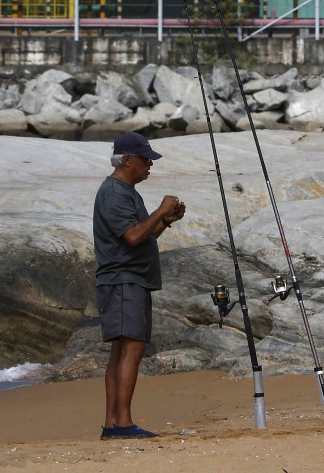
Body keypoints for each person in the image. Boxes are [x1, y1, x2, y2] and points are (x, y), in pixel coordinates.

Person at [93, 131, 186, 439]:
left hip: (130, 280)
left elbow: (143, 235)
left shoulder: (126, 192)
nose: (150, 166)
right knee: (131, 348)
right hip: (123, 280)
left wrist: (166, 220)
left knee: (123, 350)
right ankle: (121, 424)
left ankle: (113, 423)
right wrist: (159, 210)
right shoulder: (114, 193)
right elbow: (132, 237)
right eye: (146, 160)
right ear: (127, 160)